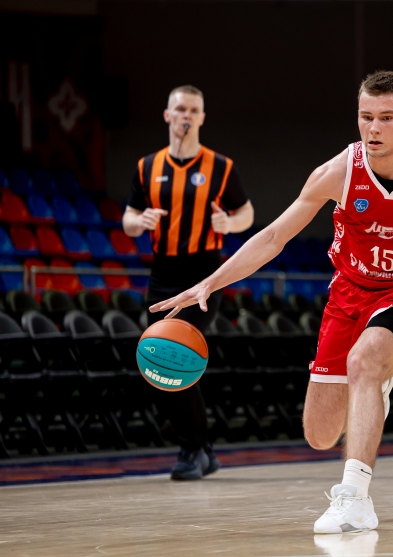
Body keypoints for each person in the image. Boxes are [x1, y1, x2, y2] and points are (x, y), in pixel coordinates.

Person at [150, 71, 393, 533]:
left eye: (387, 118)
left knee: (366, 359)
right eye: (366, 117)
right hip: (349, 294)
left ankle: (355, 497)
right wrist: (209, 284)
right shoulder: (337, 172)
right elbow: (273, 236)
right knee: (319, 433)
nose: (374, 128)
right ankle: (372, 386)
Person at [123, 85, 254, 480]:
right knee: (157, 360)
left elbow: (246, 213)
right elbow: (128, 219)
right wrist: (140, 221)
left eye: (193, 110)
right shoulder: (147, 166)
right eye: (180, 109)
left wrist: (229, 223)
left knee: (172, 352)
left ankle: (192, 449)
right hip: (162, 273)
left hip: (204, 275)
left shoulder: (221, 167)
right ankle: (202, 449)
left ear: (202, 117)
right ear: (167, 115)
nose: (186, 115)